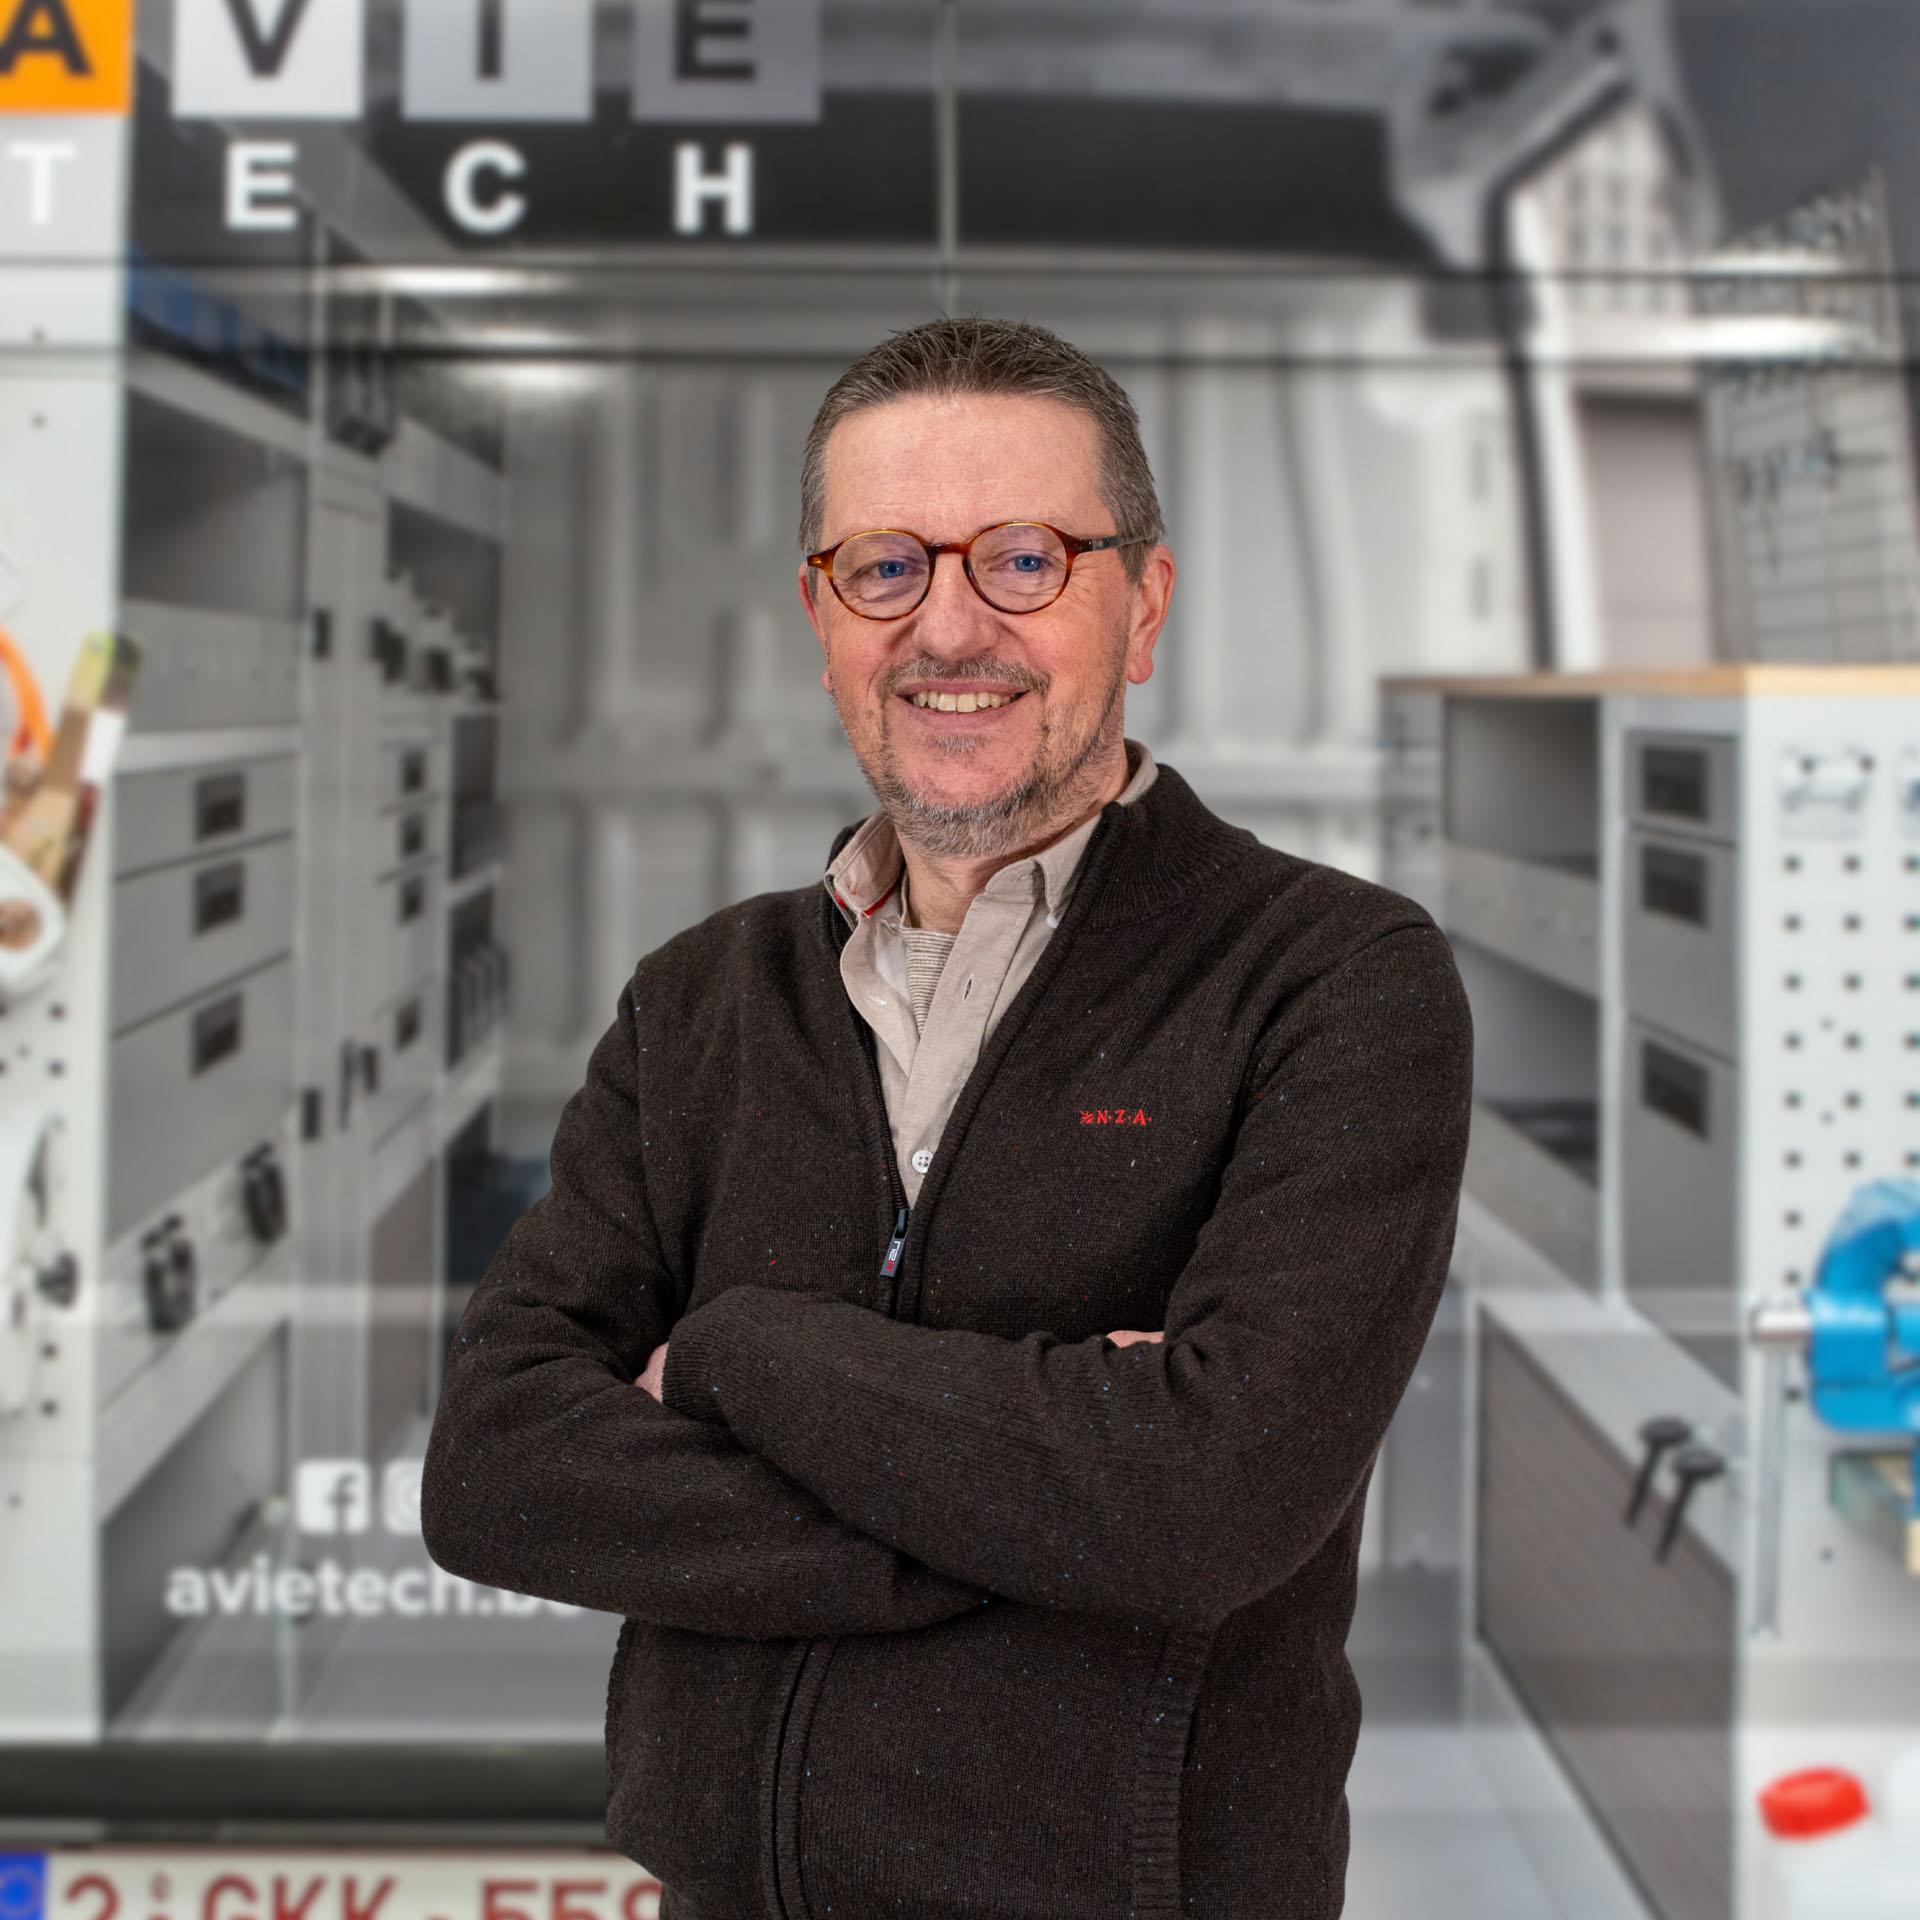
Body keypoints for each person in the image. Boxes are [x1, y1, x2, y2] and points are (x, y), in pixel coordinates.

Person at [420, 315, 1475, 1920]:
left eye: (1026, 560)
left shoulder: (1329, 979)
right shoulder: (701, 1002)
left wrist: (734, 1353)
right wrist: (1038, 1518)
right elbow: (494, 1469)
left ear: (1144, 604)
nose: (950, 627)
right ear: (821, 616)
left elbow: (1209, 1501)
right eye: (887, 567)